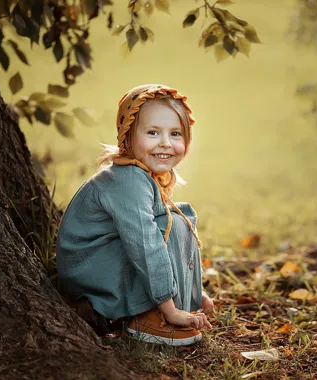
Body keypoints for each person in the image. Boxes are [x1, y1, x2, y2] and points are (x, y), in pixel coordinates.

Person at [56, 84, 214, 346]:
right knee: (165, 228)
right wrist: (171, 310)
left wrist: (194, 293)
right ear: (127, 136)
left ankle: (174, 301)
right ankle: (149, 315)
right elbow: (145, 245)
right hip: (90, 272)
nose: (165, 143)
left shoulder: (144, 175)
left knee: (179, 217)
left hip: (108, 261)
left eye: (175, 134)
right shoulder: (127, 180)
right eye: (152, 132)